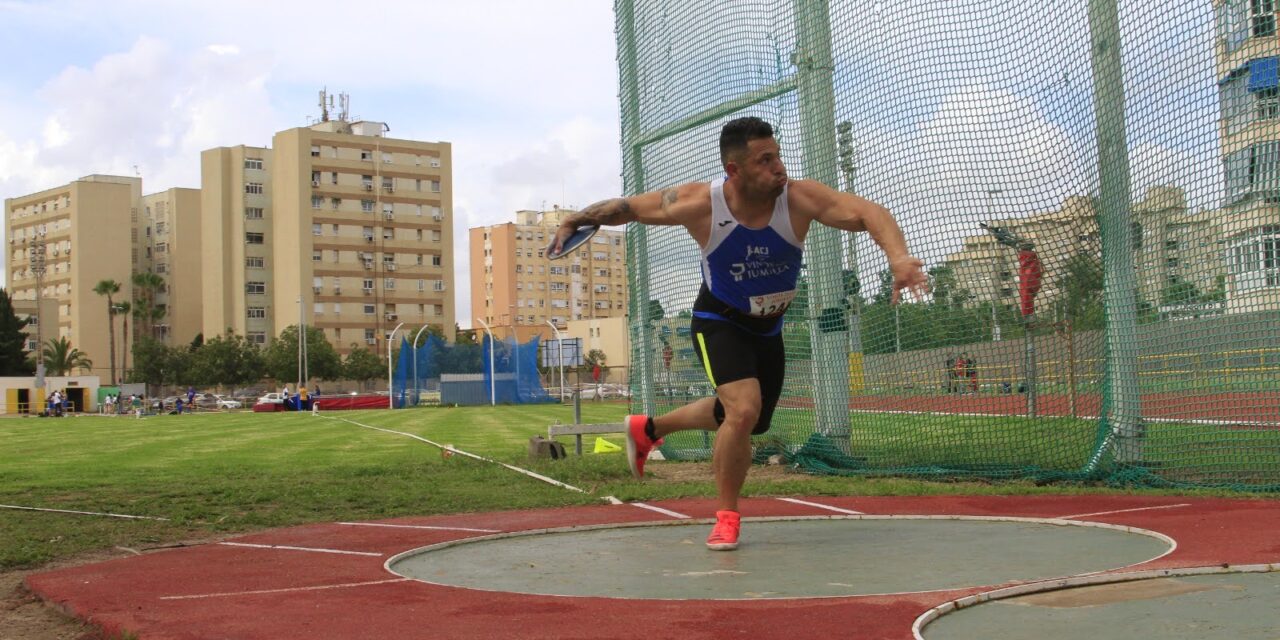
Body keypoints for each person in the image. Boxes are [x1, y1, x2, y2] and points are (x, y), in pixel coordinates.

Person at [549, 116, 928, 551]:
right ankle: (727, 515)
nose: (778, 168)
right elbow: (628, 208)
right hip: (719, 322)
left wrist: (899, 258)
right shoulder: (700, 203)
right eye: (765, 160)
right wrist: (576, 219)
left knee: (750, 419)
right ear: (735, 170)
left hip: (769, 330)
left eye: (778, 155)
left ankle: (648, 428)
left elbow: (867, 212)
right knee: (743, 410)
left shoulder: (798, 198)